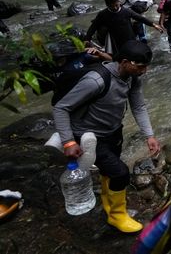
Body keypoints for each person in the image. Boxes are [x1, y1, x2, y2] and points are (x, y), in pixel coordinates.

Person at [52, 41, 160, 233]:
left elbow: (138, 106)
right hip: (88, 136)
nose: (144, 70)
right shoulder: (96, 80)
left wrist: (149, 135)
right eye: (141, 66)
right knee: (120, 173)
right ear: (125, 62)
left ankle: (108, 203)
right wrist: (68, 141)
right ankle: (117, 216)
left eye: (146, 66)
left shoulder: (132, 77)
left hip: (113, 131)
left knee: (108, 171)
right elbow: (61, 107)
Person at [85, 0, 163, 54]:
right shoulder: (103, 14)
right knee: (119, 56)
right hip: (115, 39)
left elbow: (140, 18)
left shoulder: (126, 11)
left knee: (133, 53)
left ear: (119, 2)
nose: (115, 8)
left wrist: (154, 25)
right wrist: (87, 39)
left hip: (129, 36)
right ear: (107, 5)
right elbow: (94, 26)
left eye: (116, 5)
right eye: (112, 7)